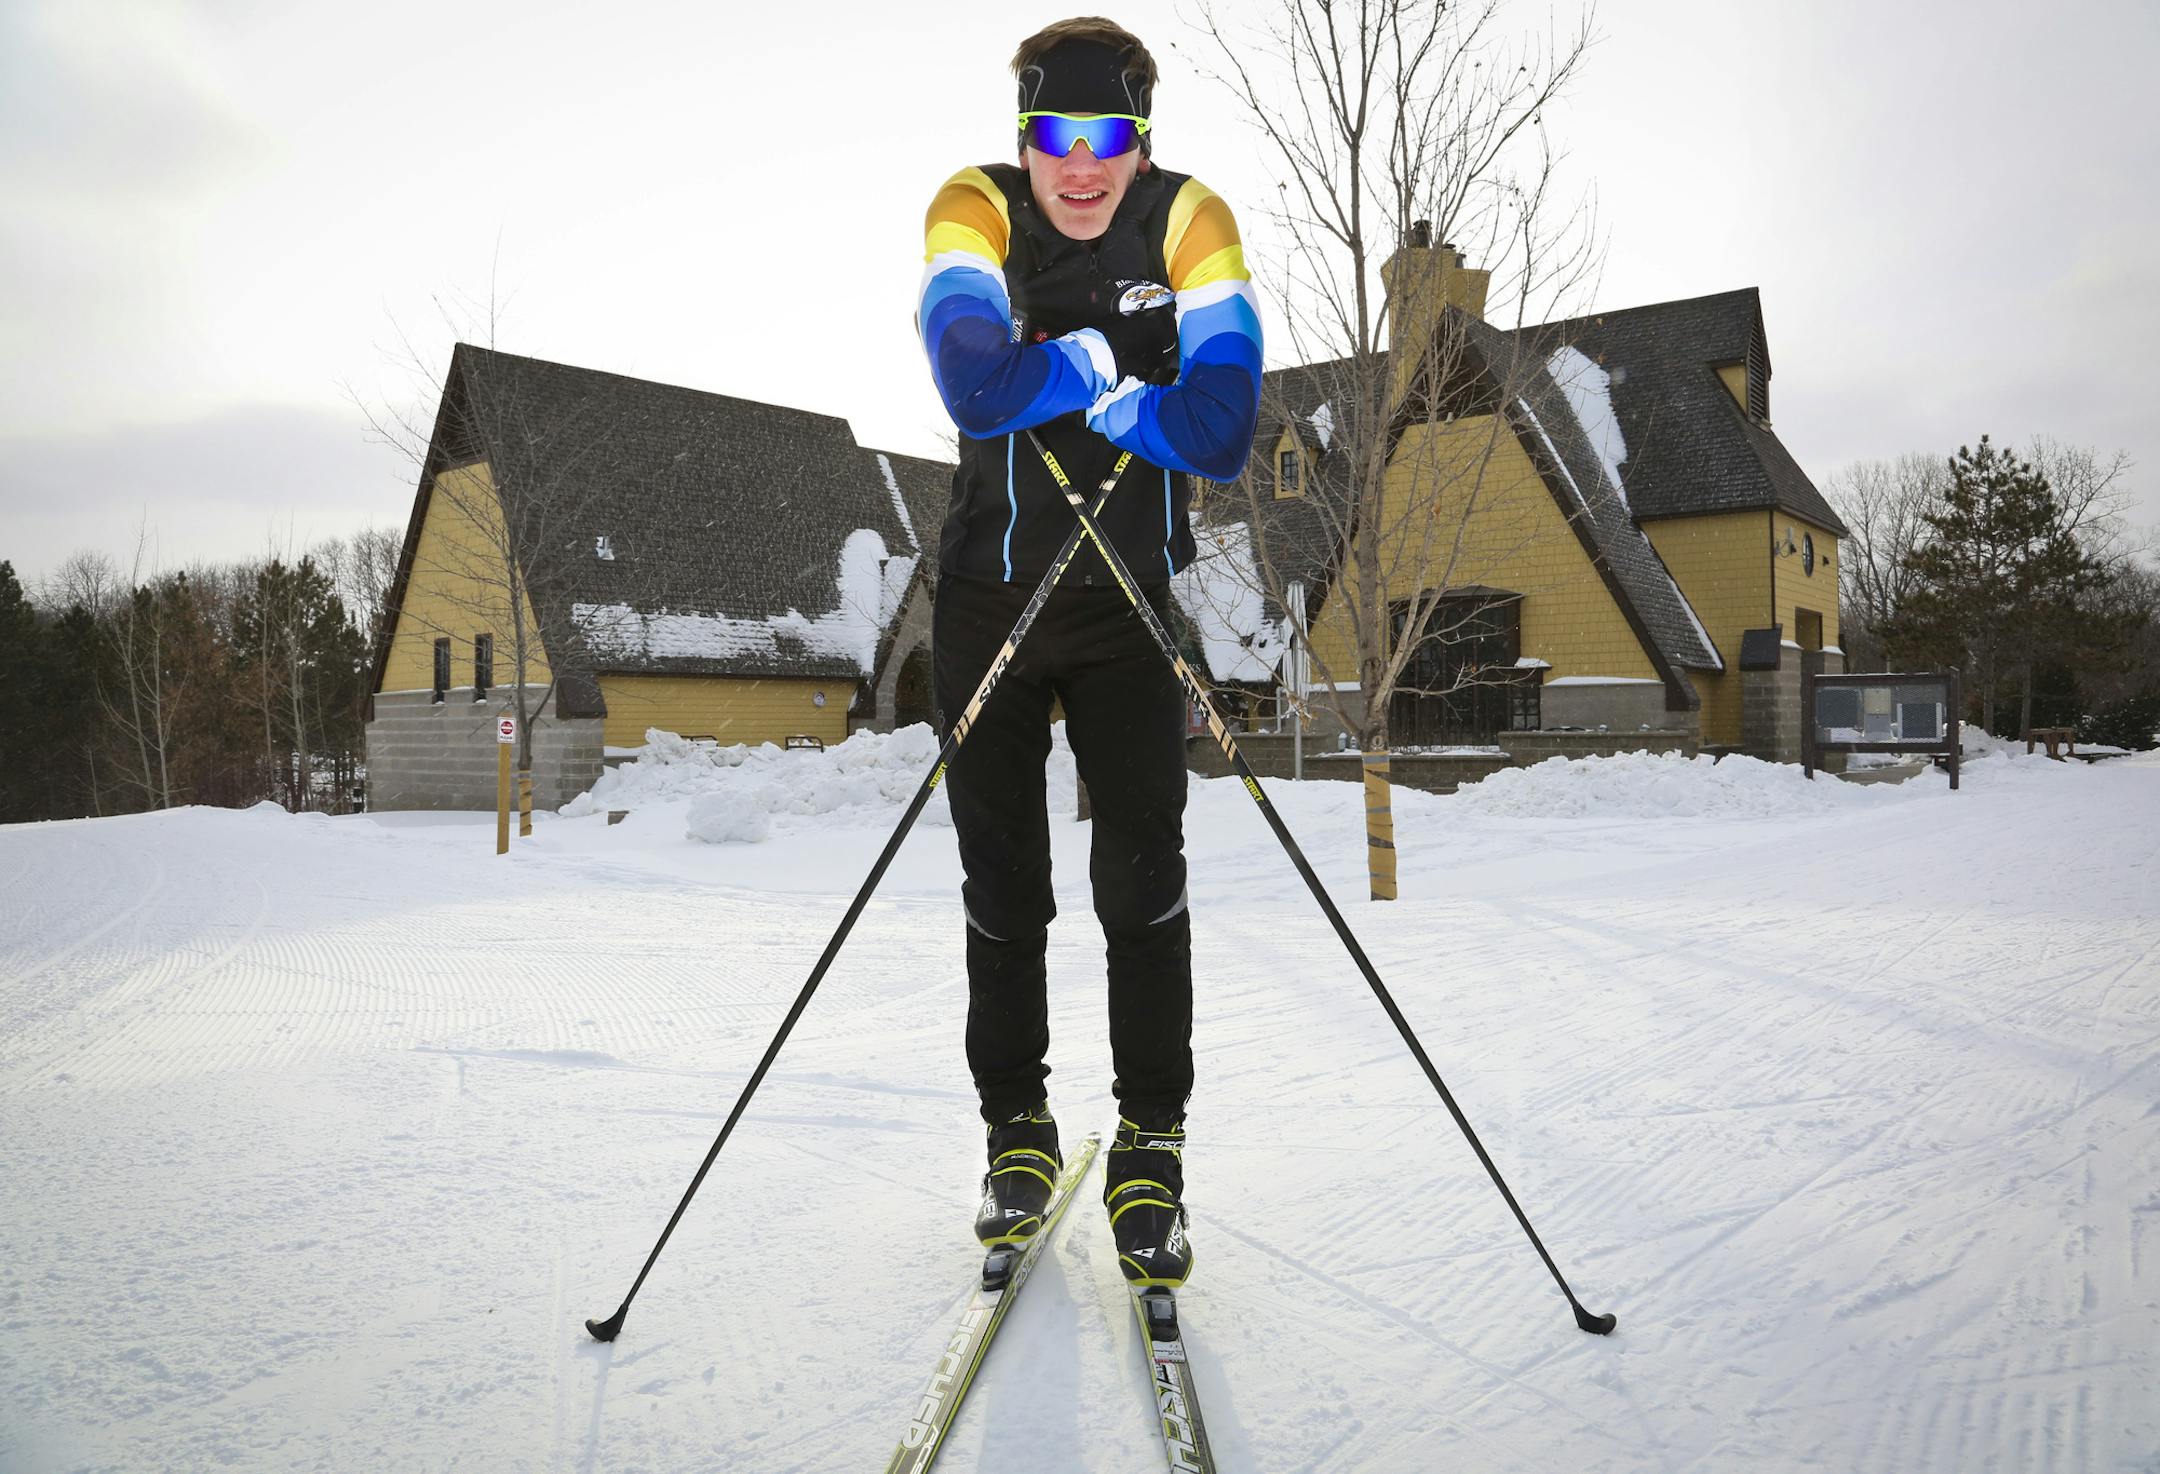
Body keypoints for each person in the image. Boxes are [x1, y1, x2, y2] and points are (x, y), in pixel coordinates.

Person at [915, 16, 1262, 1289]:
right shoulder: (972, 206)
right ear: (1026, 135)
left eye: (1107, 136)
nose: (1080, 166)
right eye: (1056, 135)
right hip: (987, 597)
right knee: (1004, 889)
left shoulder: (1193, 222)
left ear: (1140, 137)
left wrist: (1070, 380)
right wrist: (1119, 362)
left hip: (1126, 605)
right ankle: (1018, 1136)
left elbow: (1225, 430)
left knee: (1141, 885)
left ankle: (1149, 1152)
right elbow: (970, 381)